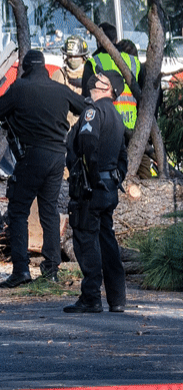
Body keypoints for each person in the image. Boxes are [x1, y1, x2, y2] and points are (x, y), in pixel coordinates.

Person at [0, 50, 86, 287]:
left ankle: (21, 271)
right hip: (57, 157)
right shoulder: (60, 88)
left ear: (25, 68)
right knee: (49, 212)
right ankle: (51, 270)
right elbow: (82, 108)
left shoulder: (20, 88)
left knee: (18, 211)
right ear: (44, 67)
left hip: (31, 156)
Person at [64, 70, 128, 314]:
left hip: (91, 190)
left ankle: (91, 297)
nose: (94, 78)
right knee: (107, 241)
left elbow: (88, 143)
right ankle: (117, 298)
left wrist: (89, 179)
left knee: (86, 240)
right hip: (107, 188)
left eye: (100, 77)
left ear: (108, 88)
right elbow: (123, 156)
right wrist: (114, 178)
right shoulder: (116, 115)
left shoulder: (94, 111)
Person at [81, 22, 142, 132]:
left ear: (99, 41)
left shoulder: (93, 62)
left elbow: (86, 100)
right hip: (132, 128)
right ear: (116, 39)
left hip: (105, 127)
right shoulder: (134, 62)